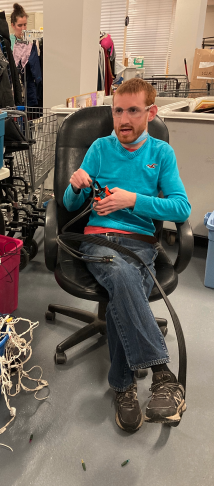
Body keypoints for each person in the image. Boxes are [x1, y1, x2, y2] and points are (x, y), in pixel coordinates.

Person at [63, 78, 191, 433]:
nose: (123, 119)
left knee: (123, 283)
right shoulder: (100, 148)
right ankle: (164, 376)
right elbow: (69, 205)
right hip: (97, 239)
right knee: (119, 274)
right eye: (118, 110)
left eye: (133, 111)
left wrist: (132, 200)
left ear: (150, 113)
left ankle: (123, 386)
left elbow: (181, 208)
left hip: (140, 244)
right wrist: (75, 186)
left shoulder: (161, 154)